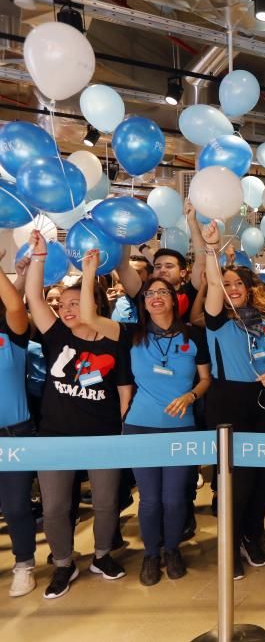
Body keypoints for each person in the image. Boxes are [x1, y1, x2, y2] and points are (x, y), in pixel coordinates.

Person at [77, 250, 211, 586]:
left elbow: (206, 379)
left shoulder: (193, 336)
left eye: (162, 291)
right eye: (149, 293)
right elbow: (89, 318)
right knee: (149, 500)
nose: (155, 297)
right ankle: (151, 554)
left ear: (174, 299)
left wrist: (190, 395)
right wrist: (90, 272)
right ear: (143, 301)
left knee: (175, 498)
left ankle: (172, 549)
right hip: (140, 428)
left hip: (182, 428)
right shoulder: (131, 334)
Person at [25, 231, 132, 598]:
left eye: (75, 303)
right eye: (63, 305)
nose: (67, 310)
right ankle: (63, 563)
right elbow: (34, 298)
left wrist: (121, 433)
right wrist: (39, 257)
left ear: (92, 304)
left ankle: (102, 555)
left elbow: (123, 390)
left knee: (106, 502)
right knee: (55, 507)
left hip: (102, 435)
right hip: (54, 436)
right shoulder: (55, 335)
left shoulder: (113, 342)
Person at [201, 222, 265, 579]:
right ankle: (229, 547)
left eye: (239, 284)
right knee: (236, 481)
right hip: (228, 400)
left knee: (263, 478)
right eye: (226, 283)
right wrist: (212, 250)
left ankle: (252, 536)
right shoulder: (217, 320)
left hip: (263, 398)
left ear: (250, 289)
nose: (232, 288)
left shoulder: (262, 322)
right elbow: (215, 285)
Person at [0, 249, 37, 597]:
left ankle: (24, 563)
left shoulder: (10, 336)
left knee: (15, 506)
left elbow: (15, 307)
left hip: (15, 435)